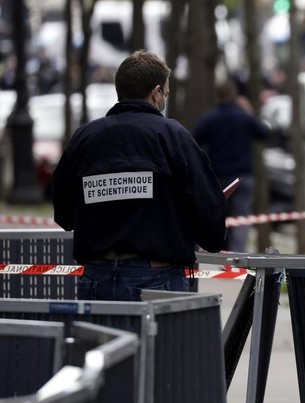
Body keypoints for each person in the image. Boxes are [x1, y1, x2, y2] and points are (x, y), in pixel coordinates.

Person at [52, 50, 226, 301]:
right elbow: (208, 208)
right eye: (165, 94)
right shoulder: (173, 137)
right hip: (158, 281)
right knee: (161, 343)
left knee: (99, 341)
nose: (164, 99)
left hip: (95, 280)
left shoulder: (85, 138)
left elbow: (64, 213)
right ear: (156, 93)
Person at [193, 80, 270, 253]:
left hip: (218, 178)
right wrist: (250, 111)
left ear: (217, 96)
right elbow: (264, 132)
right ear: (235, 95)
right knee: (241, 219)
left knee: (219, 217)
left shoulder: (209, 118)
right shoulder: (244, 117)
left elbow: (193, 141)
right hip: (243, 177)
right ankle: (237, 257)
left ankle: (219, 253)